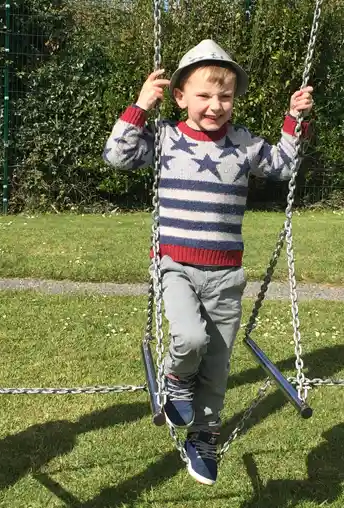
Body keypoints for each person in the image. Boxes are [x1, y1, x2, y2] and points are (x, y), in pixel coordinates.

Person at [102, 39, 313, 485]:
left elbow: (283, 167)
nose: (215, 106)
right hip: (176, 264)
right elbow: (117, 156)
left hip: (227, 274)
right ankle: (176, 380)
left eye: (225, 96)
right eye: (204, 95)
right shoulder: (164, 138)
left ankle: (204, 435)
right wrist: (141, 106)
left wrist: (295, 120)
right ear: (180, 96)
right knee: (190, 338)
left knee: (217, 366)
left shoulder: (242, 143)